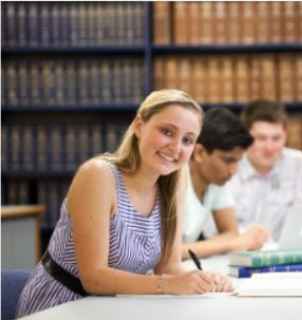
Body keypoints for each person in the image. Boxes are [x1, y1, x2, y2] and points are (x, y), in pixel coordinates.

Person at [17, 90, 232, 317]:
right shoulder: (99, 175)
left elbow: (169, 268)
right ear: (139, 126)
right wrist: (170, 285)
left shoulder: (174, 186)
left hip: (116, 306)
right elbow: (94, 279)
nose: (176, 147)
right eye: (167, 132)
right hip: (61, 305)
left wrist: (204, 279)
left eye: (187, 140)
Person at [182, 108, 269, 259]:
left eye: (237, 161)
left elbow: (231, 233)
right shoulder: (174, 180)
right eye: (228, 160)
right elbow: (168, 253)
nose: (233, 171)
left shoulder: (217, 180)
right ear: (199, 153)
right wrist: (232, 244)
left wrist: (234, 241)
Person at [227, 100, 302, 241]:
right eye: (261, 138)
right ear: (244, 138)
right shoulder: (228, 166)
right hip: (236, 253)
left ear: (286, 136)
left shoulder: (300, 163)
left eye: (276, 138)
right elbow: (216, 230)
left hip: (286, 254)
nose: (269, 148)